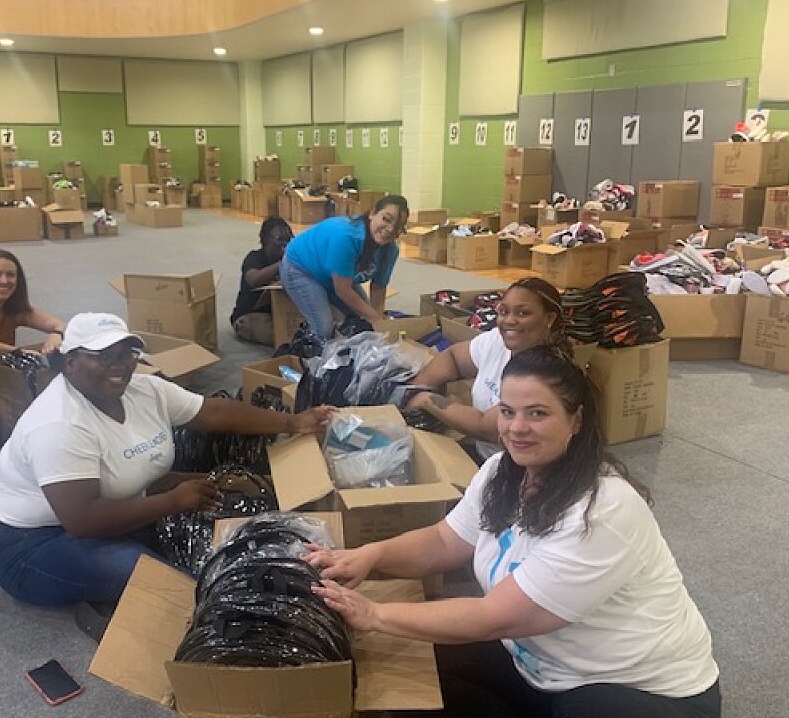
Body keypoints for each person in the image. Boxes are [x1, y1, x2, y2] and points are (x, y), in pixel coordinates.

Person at [310, 347, 721, 718]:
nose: (517, 427)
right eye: (507, 412)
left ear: (576, 420)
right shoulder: (500, 472)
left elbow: (494, 617)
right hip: (537, 665)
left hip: (636, 689)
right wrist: (371, 555)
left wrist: (375, 614)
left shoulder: (603, 510)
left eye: (537, 413)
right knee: (409, 665)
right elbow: (444, 540)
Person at [0, 312, 335, 607]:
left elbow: (213, 412)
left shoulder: (143, 390)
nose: (119, 365)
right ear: (70, 361)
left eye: (126, 353)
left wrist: (293, 423)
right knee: (176, 586)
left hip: (115, 504)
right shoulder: (58, 424)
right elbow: (83, 521)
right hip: (33, 544)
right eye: (103, 356)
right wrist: (173, 501)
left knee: (215, 536)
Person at [408, 277, 569, 460]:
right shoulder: (498, 341)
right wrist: (416, 389)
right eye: (504, 311)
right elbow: (453, 358)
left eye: (523, 313)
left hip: (521, 468)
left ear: (549, 318)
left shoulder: (548, 373)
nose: (509, 320)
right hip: (486, 455)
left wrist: (426, 399)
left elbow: (487, 428)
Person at [280, 194, 409, 339]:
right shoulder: (347, 237)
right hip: (301, 269)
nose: (390, 229)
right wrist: (375, 319)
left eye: (398, 226)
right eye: (386, 219)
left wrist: (379, 324)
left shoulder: (390, 250)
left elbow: (378, 288)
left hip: (334, 275)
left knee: (365, 318)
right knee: (324, 328)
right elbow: (342, 290)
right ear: (372, 214)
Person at [230, 216, 293, 346]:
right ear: (266, 239)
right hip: (248, 315)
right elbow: (254, 279)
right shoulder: (254, 258)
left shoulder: (288, 260)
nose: (285, 243)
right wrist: (282, 263)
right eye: (280, 239)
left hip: (276, 313)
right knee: (283, 336)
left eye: (288, 239)